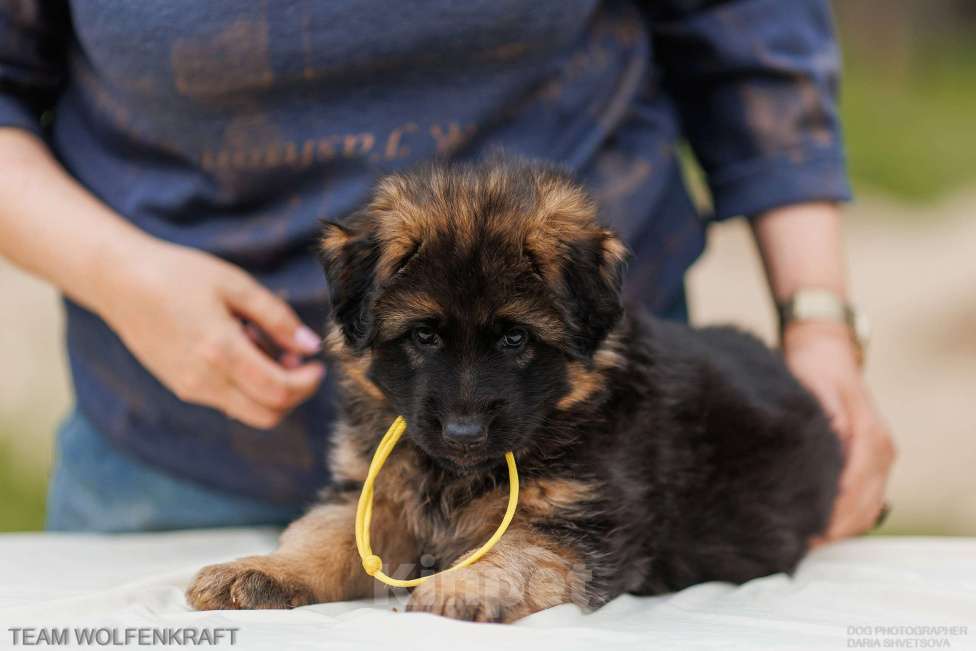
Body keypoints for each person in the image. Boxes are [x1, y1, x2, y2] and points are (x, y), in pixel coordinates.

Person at [0, 1, 893, 536]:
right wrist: (119, 273)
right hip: (173, 459)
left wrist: (819, 321)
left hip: (590, 457)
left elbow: (753, 44)